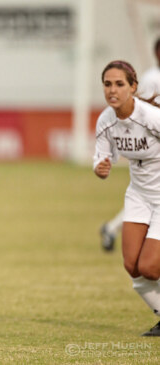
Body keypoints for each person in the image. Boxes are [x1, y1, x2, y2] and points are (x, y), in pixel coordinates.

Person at [94, 60, 160, 336]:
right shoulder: (106, 121)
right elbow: (100, 159)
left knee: (150, 267)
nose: (113, 90)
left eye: (120, 84)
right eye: (107, 84)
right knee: (133, 267)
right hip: (138, 195)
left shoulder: (151, 117)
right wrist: (100, 167)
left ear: (133, 87)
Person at [99, 38, 160, 252]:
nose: (113, 89)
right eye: (108, 84)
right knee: (143, 196)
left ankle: (111, 228)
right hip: (149, 148)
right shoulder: (153, 77)